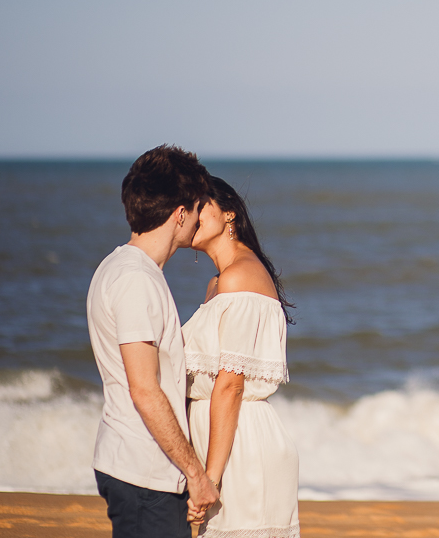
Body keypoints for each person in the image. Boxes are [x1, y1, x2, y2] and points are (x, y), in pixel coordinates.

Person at [87, 145, 220, 538]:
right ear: (181, 214)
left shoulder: (122, 268)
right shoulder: (135, 279)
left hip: (140, 468)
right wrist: (196, 474)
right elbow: (144, 389)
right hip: (144, 472)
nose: (198, 221)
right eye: (196, 210)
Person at [183, 175, 299, 538]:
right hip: (221, 441)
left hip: (239, 450)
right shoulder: (218, 283)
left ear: (229, 213)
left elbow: (230, 385)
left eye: (202, 206)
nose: (192, 215)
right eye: (188, 208)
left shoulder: (238, 278)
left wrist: (210, 477)